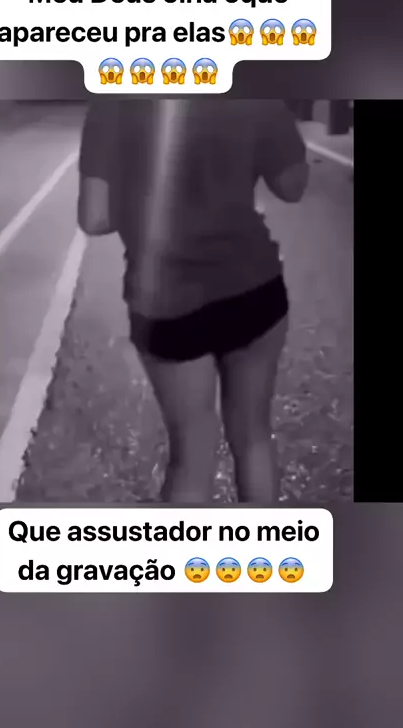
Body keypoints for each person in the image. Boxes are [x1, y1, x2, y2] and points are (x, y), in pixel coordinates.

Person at [77, 99, 309, 504]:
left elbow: (95, 217)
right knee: (254, 436)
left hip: (165, 299)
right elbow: (293, 187)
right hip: (253, 284)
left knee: (191, 457)